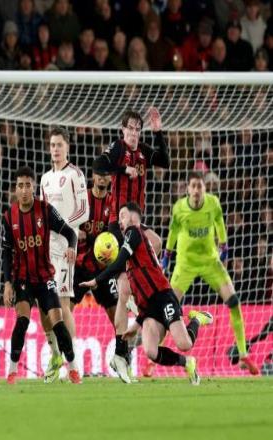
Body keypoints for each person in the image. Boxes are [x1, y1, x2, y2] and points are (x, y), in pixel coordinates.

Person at [80, 202, 214, 385]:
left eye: (123, 216)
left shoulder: (134, 233)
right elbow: (136, 289)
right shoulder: (130, 258)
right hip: (148, 308)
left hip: (163, 296)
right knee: (151, 351)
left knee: (185, 344)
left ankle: (197, 319)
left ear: (133, 218)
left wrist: (97, 280)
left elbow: (120, 261)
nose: (120, 221)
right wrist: (135, 325)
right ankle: (187, 363)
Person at [160, 172, 259, 375]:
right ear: (188, 189)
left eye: (200, 186)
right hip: (185, 264)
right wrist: (167, 256)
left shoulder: (213, 203)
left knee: (233, 301)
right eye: (193, 186)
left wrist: (224, 246)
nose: (197, 190)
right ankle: (154, 358)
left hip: (210, 262)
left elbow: (220, 223)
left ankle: (243, 354)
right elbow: (173, 232)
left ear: (204, 189)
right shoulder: (179, 208)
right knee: (168, 307)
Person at [95, 108, 168, 374]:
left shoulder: (144, 152)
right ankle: (120, 351)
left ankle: (140, 285)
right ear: (123, 130)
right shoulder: (118, 149)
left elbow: (164, 161)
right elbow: (98, 166)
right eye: (130, 129)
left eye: (138, 129)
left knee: (156, 243)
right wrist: (122, 168)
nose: (134, 133)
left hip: (137, 226)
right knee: (124, 290)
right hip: (119, 224)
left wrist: (158, 131)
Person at [2, 166, 80, 384]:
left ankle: (73, 369)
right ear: (15, 189)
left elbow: (70, 232)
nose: (24, 190)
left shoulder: (45, 210)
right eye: (20, 186)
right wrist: (7, 283)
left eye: (28, 185)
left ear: (33, 187)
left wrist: (71, 246)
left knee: (58, 322)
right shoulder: (9, 217)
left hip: (45, 278)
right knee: (22, 321)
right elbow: (6, 253)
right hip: (23, 280)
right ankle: (12, 372)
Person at [39, 126, 89, 383]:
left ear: (67, 146)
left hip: (66, 249)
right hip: (45, 249)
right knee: (43, 305)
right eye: (52, 145)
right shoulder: (45, 179)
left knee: (63, 303)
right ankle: (55, 355)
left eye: (59, 144)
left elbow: (84, 210)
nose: (55, 149)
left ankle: (74, 364)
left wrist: (65, 229)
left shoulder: (75, 175)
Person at [72, 158, 118, 327]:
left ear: (110, 178)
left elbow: (111, 237)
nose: (102, 178)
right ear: (93, 175)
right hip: (80, 266)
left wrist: (88, 236)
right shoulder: (81, 199)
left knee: (116, 314)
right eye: (99, 174)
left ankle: (123, 344)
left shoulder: (114, 203)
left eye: (105, 175)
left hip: (103, 269)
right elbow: (68, 226)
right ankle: (63, 344)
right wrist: (75, 232)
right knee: (64, 310)